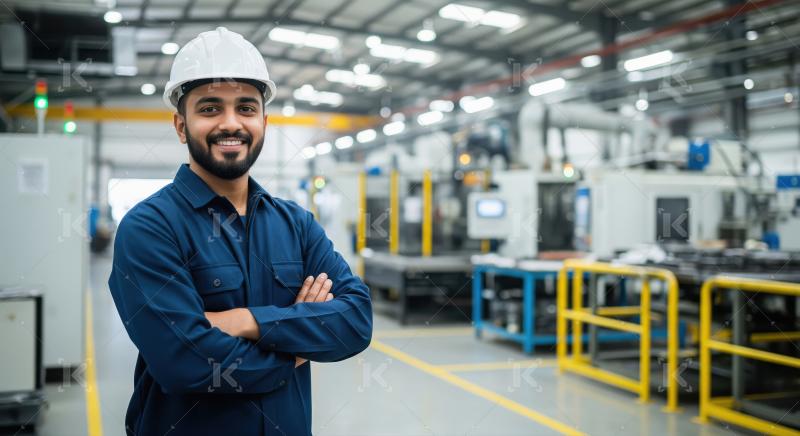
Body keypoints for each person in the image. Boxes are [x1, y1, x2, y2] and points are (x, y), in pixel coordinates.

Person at [108, 27, 373, 436]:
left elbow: (355, 321)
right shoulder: (149, 228)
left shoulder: (295, 224)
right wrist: (297, 349)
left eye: (246, 108)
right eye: (210, 108)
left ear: (263, 122)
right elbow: (187, 363)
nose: (231, 123)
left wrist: (245, 320)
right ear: (181, 126)